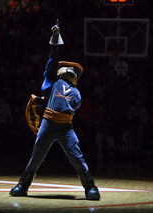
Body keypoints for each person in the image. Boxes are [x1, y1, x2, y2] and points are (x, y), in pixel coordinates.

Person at [9, 21, 100, 200]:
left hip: (65, 127)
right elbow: (53, 58)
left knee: (76, 156)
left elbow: (70, 105)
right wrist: (56, 39)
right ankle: (22, 184)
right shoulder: (53, 81)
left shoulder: (76, 93)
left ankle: (90, 187)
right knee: (37, 156)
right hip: (48, 123)